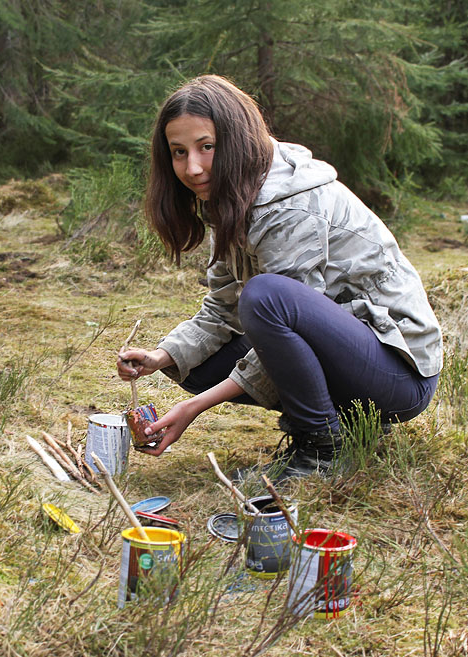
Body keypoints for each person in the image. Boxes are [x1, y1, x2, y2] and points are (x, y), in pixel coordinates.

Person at [116, 75, 442, 482]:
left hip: (399, 372)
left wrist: (195, 408)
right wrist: (162, 356)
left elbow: (280, 310)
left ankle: (322, 450)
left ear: (236, 140)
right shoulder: (231, 193)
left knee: (266, 296)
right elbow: (222, 309)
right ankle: (344, 422)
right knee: (196, 364)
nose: (193, 167)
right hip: (348, 352)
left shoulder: (287, 206)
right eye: (179, 152)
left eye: (206, 146)